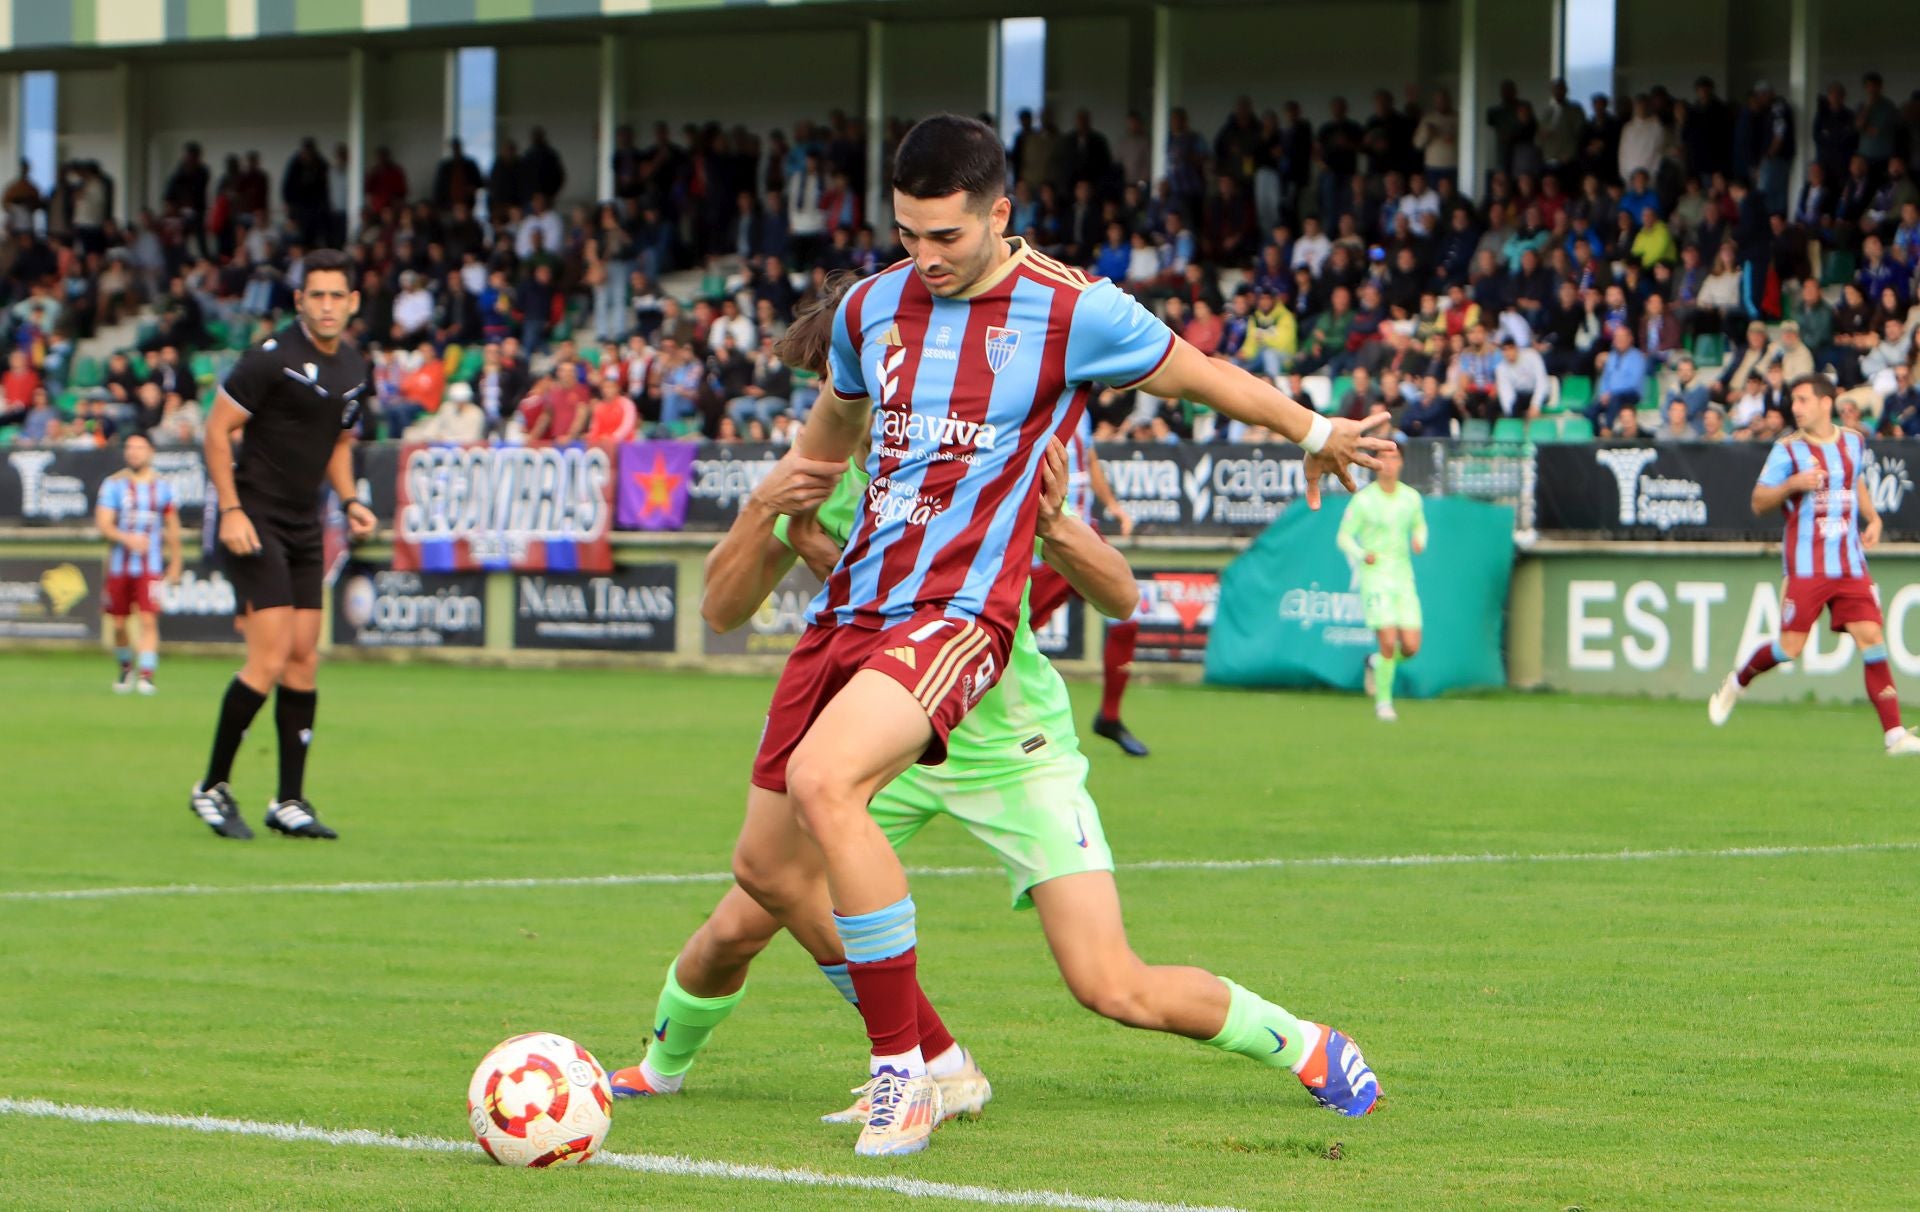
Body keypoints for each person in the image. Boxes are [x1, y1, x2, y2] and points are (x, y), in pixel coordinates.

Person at [737, 115, 1387, 1158]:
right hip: (854, 616)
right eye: (907, 234)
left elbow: (1201, 375)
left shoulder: (1074, 311)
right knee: (765, 870)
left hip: (960, 620)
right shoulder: (870, 309)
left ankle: (906, 1074)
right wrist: (773, 513)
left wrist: (1315, 432)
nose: (925, 257)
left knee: (1099, 976)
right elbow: (827, 441)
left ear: (1001, 214)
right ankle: (935, 1063)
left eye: (946, 236)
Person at [609, 307, 1379, 1126]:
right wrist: (760, 509)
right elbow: (723, 610)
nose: (856, 409)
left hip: (1012, 743)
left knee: (1109, 984)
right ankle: (674, 1068)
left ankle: (1306, 1044)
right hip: (884, 750)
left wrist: (1055, 526)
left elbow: (1119, 597)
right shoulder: (821, 485)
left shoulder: (988, 463)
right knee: (746, 911)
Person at [191, 249, 377, 841]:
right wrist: (230, 510)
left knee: (303, 657)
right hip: (254, 519)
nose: (326, 306)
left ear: (351, 303)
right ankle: (211, 786)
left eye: (336, 296)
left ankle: (289, 800)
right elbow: (217, 431)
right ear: (299, 302)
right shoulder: (271, 359)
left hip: (303, 525)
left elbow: (338, 444)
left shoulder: (352, 368)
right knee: (268, 658)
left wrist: (350, 502)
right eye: (315, 295)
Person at [1709, 375, 1920, 756]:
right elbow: (1758, 501)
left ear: (1827, 403)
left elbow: (1854, 483)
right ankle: (1738, 681)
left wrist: (1872, 518)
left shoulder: (1854, 441)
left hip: (1850, 563)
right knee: (1790, 647)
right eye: (1794, 401)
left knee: (1871, 637)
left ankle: (1894, 734)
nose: (1796, 407)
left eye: (1804, 400)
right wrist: (1793, 484)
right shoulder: (1787, 451)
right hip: (1806, 568)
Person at [1026, 410, 1147, 755]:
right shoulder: (1035, 395)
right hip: (1044, 544)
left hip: (1082, 535)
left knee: (1128, 615)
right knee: (1007, 635)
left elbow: (1089, 459)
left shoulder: (1081, 407)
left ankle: (1109, 716)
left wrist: (1114, 507)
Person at [1337, 439, 1427, 722]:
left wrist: (1419, 539)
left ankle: (1378, 664)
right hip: (1376, 578)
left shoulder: (1411, 498)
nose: (1389, 464)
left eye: (1394, 458)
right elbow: (1343, 536)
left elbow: (1420, 525)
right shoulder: (1364, 500)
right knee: (1387, 641)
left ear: (1400, 463)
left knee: (1410, 647)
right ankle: (1384, 703)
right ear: (1374, 464)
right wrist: (1363, 554)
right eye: (1383, 458)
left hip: (1403, 578)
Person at [96, 433, 182, 695]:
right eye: (130, 448)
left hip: (151, 567)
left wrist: (176, 562)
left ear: (150, 452)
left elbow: (172, 528)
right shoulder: (113, 485)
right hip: (119, 567)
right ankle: (125, 667)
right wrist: (127, 539)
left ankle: (146, 675)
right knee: (120, 623)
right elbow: (103, 525)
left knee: (148, 620)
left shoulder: (163, 487)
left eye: (139, 448)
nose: (133, 452)